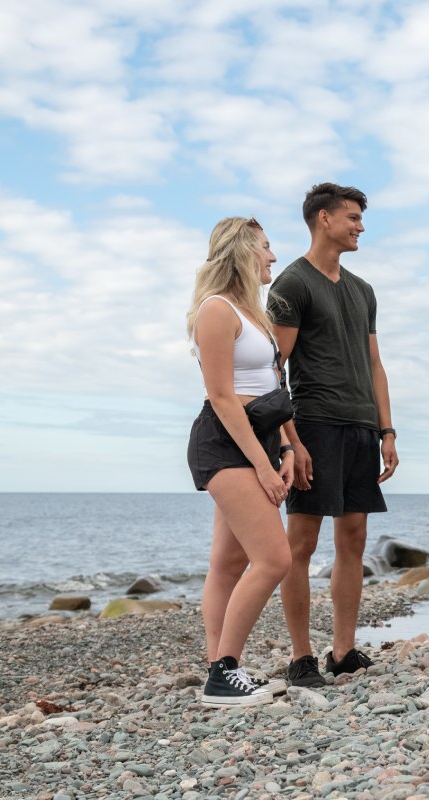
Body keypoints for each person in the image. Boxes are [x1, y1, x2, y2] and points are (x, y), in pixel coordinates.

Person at [267, 183, 399, 687]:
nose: (360, 226)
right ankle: (301, 656)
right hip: (314, 424)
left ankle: (342, 650)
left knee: (355, 538)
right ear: (324, 218)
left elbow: (374, 364)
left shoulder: (363, 290)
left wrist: (386, 429)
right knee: (300, 541)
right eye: (352, 217)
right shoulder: (292, 284)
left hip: (362, 425)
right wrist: (289, 440)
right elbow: (272, 369)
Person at [186, 217, 295, 706]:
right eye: (267, 248)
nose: (273, 257)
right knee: (274, 559)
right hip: (227, 444)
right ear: (242, 252)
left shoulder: (255, 315)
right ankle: (223, 671)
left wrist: (286, 449)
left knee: (229, 563)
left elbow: (272, 389)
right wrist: (264, 467)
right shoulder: (216, 310)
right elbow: (223, 397)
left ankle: (220, 668)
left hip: (259, 441)